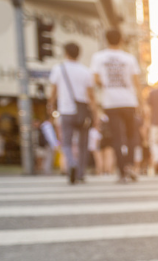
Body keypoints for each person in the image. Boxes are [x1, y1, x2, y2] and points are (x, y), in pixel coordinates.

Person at [91, 28, 142, 182]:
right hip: (129, 101)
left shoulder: (98, 57)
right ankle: (130, 166)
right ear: (121, 40)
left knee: (117, 137)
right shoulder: (129, 58)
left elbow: (96, 79)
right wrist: (141, 102)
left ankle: (122, 171)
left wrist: (106, 85)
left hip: (111, 102)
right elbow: (136, 82)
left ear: (107, 40)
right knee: (132, 135)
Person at [48, 42, 97, 184]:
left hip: (66, 111)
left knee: (67, 143)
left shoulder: (59, 69)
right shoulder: (85, 71)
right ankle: (81, 173)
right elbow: (91, 96)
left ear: (66, 53)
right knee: (83, 144)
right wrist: (95, 114)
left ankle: (72, 164)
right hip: (83, 111)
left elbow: (53, 91)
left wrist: (50, 105)